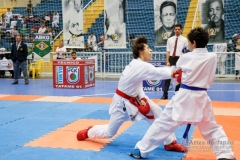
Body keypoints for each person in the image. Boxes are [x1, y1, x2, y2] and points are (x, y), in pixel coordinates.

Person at [129, 28, 235, 160]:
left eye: (189, 42)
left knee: (162, 124)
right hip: (201, 97)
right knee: (211, 128)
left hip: (183, 96)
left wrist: (182, 67)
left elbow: (176, 75)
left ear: (194, 42)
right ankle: (225, 155)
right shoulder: (212, 57)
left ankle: (142, 150)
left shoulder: (185, 58)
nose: (188, 45)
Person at [76, 36, 187, 153]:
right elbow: (159, 72)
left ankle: (170, 142)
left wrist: (143, 98)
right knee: (110, 132)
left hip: (136, 99)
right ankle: (90, 131)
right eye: (148, 48)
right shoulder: (140, 66)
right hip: (121, 104)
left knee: (157, 111)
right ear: (141, 51)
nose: (151, 51)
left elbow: (137, 86)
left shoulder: (139, 65)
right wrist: (175, 72)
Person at [161, 23, 188, 99]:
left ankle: (176, 95)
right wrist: (167, 61)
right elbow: (168, 51)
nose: (177, 31)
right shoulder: (170, 39)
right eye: (176, 29)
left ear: (181, 30)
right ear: (174, 30)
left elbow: (185, 52)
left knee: (178, 77)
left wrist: (184, 62)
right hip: (171, 59)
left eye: (178, 29)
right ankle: (165, 94)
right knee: (167, 76)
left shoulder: (185, 40)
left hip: (180, 59)